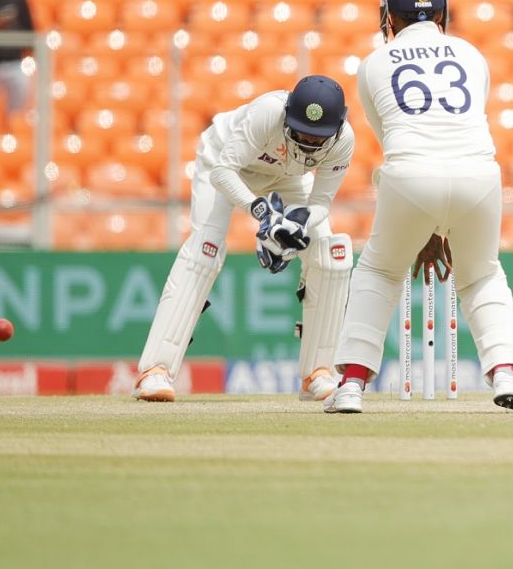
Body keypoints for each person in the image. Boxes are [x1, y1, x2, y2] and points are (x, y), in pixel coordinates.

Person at [326, 0, 513, 414]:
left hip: (410, 174)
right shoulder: (470, 54)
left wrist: (425, 224)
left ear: (387, 15)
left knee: (379, 271)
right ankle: (507, 372)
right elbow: (459, 128)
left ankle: (351, 384)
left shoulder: (373, 64)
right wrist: (438, 222)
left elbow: (396, 137)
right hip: (479, 175)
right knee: (482, 274)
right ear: (443, 10)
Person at [134, 75, 356, 403]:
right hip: (224, 164)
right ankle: (155, 372)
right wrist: (264, 214)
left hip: (285, 177)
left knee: (328, 252)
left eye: (317, 137)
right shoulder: (268, 112)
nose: (308, 141)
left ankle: (317, 373)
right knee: (204, 250)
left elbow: (320, 203)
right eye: (301, 131)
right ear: (287, 116)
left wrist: (296, 226)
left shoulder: (344, 140)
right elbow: (224, 172)